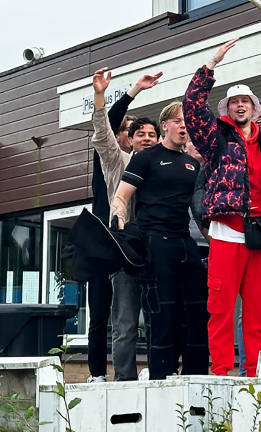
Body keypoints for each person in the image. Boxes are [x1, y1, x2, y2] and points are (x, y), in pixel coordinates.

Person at [182, 37, 261, 377]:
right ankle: (221, 372)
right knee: (220, 309)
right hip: (226, 233)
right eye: (234, 101)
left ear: (255, 109)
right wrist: (211, 64)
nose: (240, 106)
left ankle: (254, 375)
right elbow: (192, 109)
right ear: (227, 108)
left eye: (245, 101)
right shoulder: (216, 139)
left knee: (258, 312)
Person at [111, 98, 210, 379]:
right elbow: (122, 196)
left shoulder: (193, 164)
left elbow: (197, 211)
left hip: (184, 243)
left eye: (187, 121)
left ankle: (196, 378)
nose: (184, 126)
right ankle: (160, 378)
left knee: (196, 315)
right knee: (163, 316)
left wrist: (214, 242)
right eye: (178, 120)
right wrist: (118, 219)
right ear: (164, 126)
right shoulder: (146, 158)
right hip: (154, 240)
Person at [87, 68, 161, 382]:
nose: (146, 138)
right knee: (125, 322)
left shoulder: (166, 164)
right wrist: (104, 96)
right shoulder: (119, 162)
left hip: (158, 250)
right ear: (128, 140)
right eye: (139, 134)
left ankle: (160, 373)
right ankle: (123, 379)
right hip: (124, 251)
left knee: (161, 319)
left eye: (151, 135)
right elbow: (103, 133)